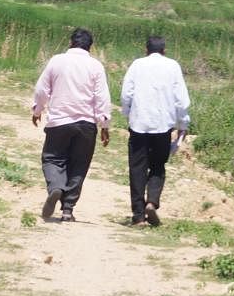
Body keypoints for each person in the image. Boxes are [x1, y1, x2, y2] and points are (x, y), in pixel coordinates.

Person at [31, 27, 111, 222]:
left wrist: (37, 110)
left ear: (70, 42)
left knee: (52, 158)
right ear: (90, 47)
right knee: (79, 165)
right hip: (86, 124)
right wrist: (104, 124)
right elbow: (102, 97)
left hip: (60, 121)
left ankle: (56, 188)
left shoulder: (57, 61)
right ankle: (68, 209)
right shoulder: (96, 66)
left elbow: (42, 89)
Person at [119, 35, 191, 226]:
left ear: (146, 50)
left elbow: (127, 93)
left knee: (137, 169)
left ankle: (138, 215)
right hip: (163, 125)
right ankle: (152, 201)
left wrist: (128, 113)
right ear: (164, 50)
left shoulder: (137, 65)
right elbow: (181, 99)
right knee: (158, 165)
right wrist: (183, 124)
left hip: (139, 125)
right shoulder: (173, 66)